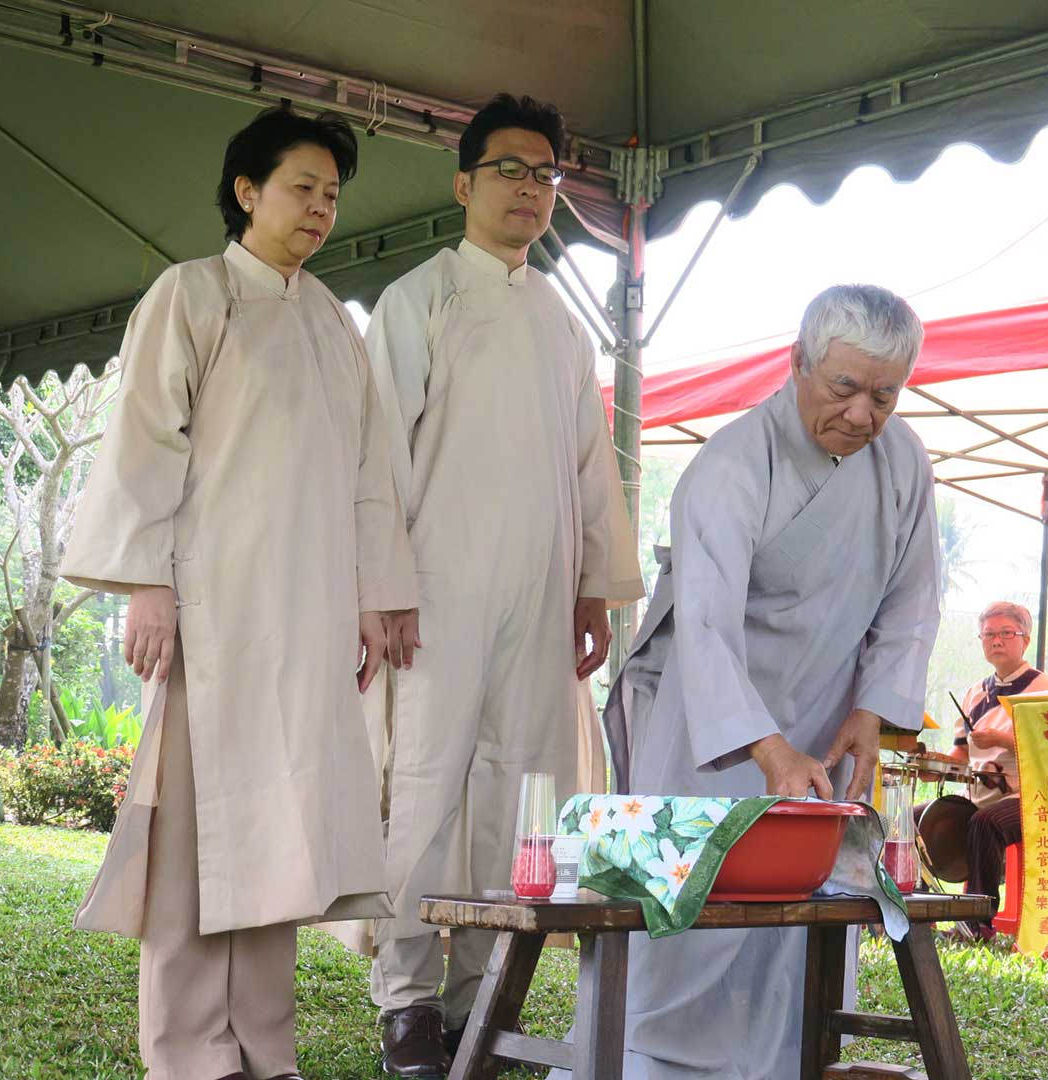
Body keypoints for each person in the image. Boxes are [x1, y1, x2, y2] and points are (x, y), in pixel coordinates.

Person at [61, 107, 416, 1080]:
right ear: (247, 191)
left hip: (306, 624)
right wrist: (146, 584)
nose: (321, 209)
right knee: (187, 856)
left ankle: (264, 1043)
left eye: (333, 194)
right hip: (211, 618)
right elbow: (143, 443)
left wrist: (370, 599)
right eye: (303, 188)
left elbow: (367, 474)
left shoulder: (334, 323)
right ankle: (186, 1051)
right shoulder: (192, 295)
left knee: (282, 840)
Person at [589, 284, 941, 1080]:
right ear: (797, 365)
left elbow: (915, 594)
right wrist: (766, 749)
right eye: (844, 388)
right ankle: (655, 1066)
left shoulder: (905, 461)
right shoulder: (734, 461)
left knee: (804, 912)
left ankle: (794, 1064)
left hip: (823, 712)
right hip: (710, 722)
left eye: (884, 395)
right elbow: (705, 624)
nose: (862, 414)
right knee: (702, 904)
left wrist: (873, 713)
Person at [359, 93, 644, 1076]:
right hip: (433, 592)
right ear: (464, 184)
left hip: (539, 596)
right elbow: (374, 459)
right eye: (511, 170)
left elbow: (588, 466)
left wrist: (594, 589)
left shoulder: (563, 325)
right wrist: (378, 585)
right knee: (426, 794)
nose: (530, 189)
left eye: (547, 175)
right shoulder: (419, 300)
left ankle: (481, 1000)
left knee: (516, 797)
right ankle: (405, 1001)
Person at [941, 601, 1048, 940]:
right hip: (978, 793)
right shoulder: (975, 692)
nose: (997, 641)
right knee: (919, 818)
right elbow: (961, 751)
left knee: (985, 823)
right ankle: (921, 914)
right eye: (989, 634)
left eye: (1007, 633)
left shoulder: (1044, 688)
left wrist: (1003, 740)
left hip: (1028, 795)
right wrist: (938, 764)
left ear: (1026, 640)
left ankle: (978, 922)